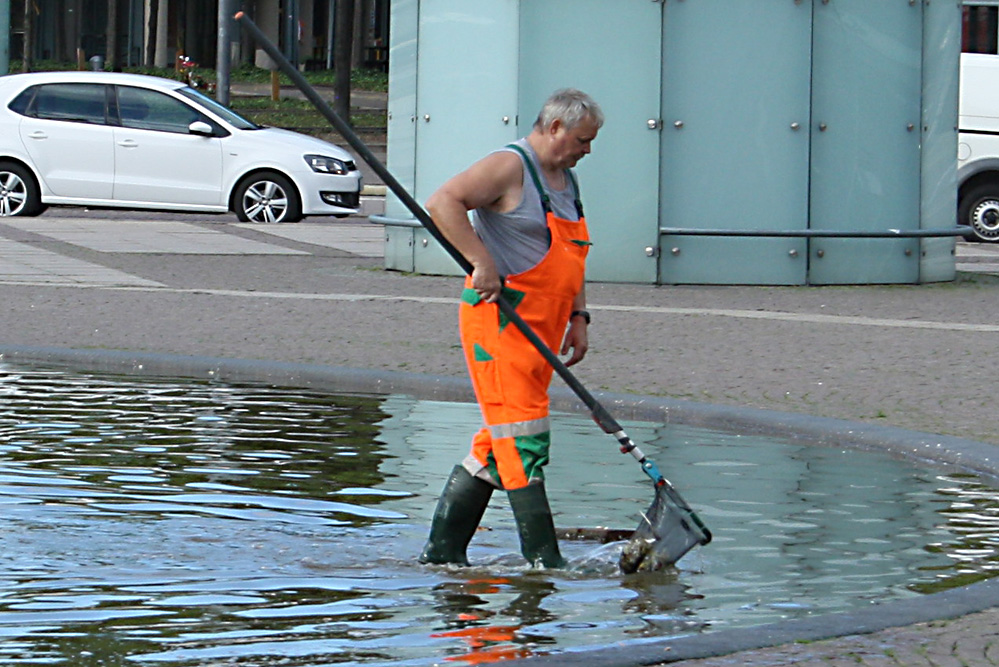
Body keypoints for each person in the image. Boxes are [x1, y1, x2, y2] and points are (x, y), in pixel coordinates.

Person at [419, 88, 604, 568]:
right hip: (499, 322)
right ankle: (544, 562)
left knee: (500, 438)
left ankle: (442, 553)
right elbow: (443, 202)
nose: (588, 150)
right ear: (555, 128)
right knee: (524, 437)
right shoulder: (509, 166)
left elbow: (573, 257)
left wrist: (579, 316)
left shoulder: (567, 181)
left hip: (544, 331)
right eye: (582, 140)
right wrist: (480, 261)